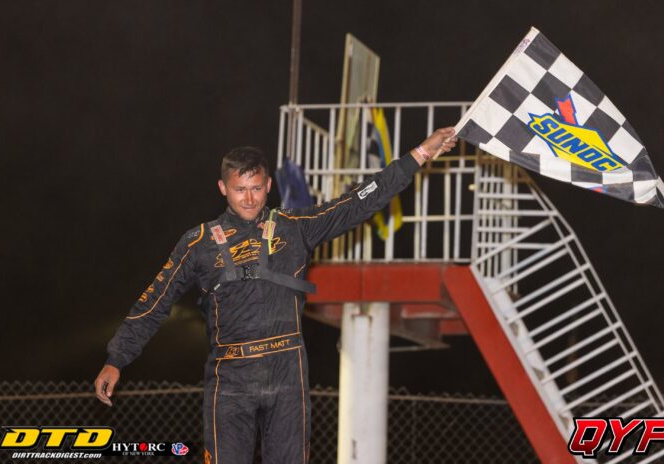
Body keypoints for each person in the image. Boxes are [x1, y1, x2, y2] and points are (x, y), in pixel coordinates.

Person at [94, 127, 458, 464]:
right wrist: (117, 358)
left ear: (268, 184)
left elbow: (357, 202)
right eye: (240, 189)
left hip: (287, 371)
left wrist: (420, 154)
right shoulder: (198, 243)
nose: (249, 198)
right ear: (223, 188)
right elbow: (154, 301)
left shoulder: (295, 227)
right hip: (229, 376)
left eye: (256, 188)